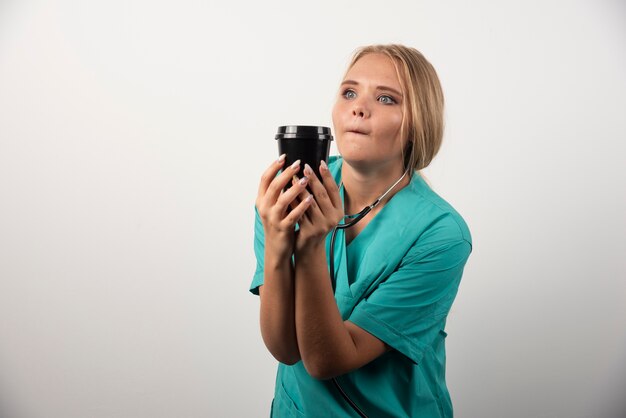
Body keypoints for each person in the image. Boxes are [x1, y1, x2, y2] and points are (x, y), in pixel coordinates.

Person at [250, 44, 472, 417]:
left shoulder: (440, 235)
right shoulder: (285, 195)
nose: (358, 108)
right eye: (349, 92)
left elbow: (326, 361)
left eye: (386, 99)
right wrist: (276, 241)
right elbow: (285, 349)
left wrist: (308, 247)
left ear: (418, 124)